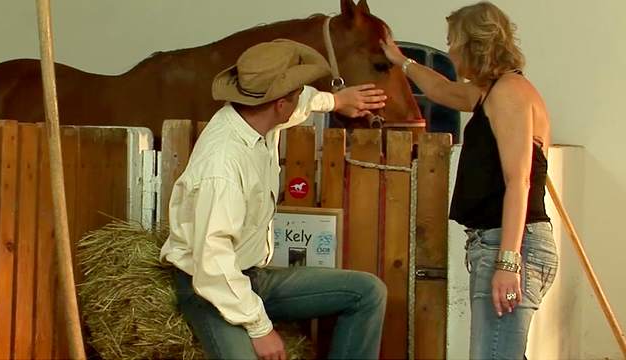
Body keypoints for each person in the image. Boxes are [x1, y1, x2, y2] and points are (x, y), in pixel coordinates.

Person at [160, 39, 388, 360]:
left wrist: (336, 101)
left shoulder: (258, 118)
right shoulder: (222, 164)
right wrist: (260, 329)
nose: (300, 100)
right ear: (281, 105)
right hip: (212, 288)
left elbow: (305, 101)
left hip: (253, 277)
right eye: (295, 96)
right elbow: (213, 263)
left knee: (368, 292)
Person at [381, 2, 558, 359]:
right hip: (499, 242)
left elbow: (518, 181)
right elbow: (443, 91)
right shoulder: (492, 92)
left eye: (452, 41)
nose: (448, 50)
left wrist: (508, 262)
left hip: (510, 244)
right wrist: (401, 61)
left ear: (473, 44)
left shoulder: (509, 93)